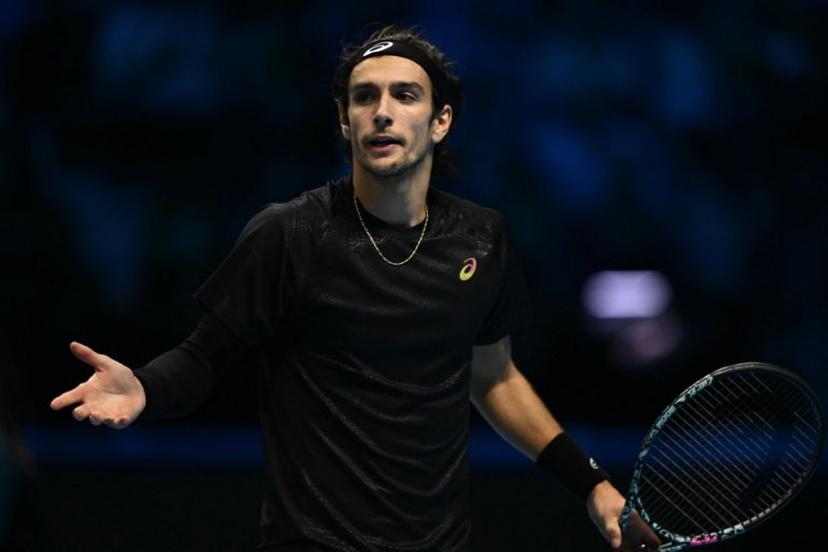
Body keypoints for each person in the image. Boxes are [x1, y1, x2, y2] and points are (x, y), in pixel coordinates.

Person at [51, 25, 659, 552]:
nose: (383, 111)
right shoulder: (288, 234)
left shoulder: (482, 238)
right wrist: (145, 389)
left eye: (405, 95)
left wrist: (592, 484)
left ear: (441, 120)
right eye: (364, 98)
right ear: (345, 121)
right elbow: (204, 357)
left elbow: (493, 377)